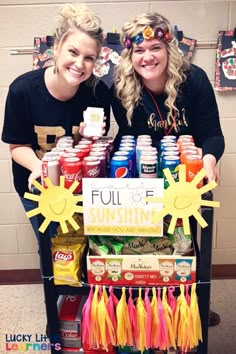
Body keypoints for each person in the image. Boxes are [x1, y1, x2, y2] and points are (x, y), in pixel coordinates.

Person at [110, 12, 224, 326]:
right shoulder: (121, 87)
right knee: (144, 245)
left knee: (184, 240)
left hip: (185, 180)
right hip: (143, 180)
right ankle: (147, 309)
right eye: (139, 50)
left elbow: (213, 135)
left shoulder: (194, 78)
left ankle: (192, 305)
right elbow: (127, 137)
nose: (148, 57)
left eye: (155, 48)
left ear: (168, 47)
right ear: (129, 55)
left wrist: (210, 160)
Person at [1, 2, 110, 243]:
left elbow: (96, 151)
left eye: (89, 58)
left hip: (80, 188)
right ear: (56, 48)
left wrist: (88, 137)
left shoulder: (98, 92)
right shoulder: (23, 90)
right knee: (51, 252)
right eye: (72, 52)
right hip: (38, 189)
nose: (80, 64)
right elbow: (17, 147)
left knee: (86, 249)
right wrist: (40, 168)